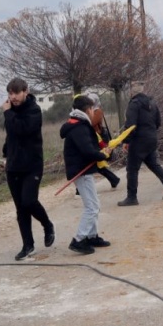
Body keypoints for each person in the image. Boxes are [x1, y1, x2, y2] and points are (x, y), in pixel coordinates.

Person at [2, 78, 55, 260]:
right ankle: (28, 245)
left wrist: (8, 114)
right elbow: (11, 135)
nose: (13, 97)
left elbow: (22, 129)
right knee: (20, 209)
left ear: (26, 91)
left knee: (29, 201)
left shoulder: (34, 110)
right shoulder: (11, 111)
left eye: (16, 92)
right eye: (10, 93)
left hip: (32, 165)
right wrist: (6, 152)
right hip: (14, 167)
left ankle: (47, 225)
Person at [60, 95, 112, 255]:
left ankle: (91, 236)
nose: (93, 112)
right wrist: (103, 155)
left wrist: (102, 151)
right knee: (92, 207)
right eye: (92, 109)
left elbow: (89, 147)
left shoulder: (79, 124)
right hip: (80, 172)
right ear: (88, 110)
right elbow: (88, 151)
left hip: (82, 170)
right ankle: (78, 240)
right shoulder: (79, 127)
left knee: (93, 204)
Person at [118, 80, 163, 206]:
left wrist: (126, 141)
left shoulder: (133, 104)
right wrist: (150, 132)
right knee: (154, 165)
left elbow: (130, 126)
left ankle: (131, 197)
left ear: (131, 92)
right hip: (151, 138)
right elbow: (158, 122)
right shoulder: (152, 103)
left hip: (138, 141)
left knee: (132, 169)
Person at [85, 92, 120, 189]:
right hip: (92, 138)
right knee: (95, 162)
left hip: (97, 138)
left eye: (91, 101)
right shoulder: (90, 111)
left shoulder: (97, 111)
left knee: (95, 162)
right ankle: (114, 179)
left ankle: (114, 179)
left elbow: (91, 123)